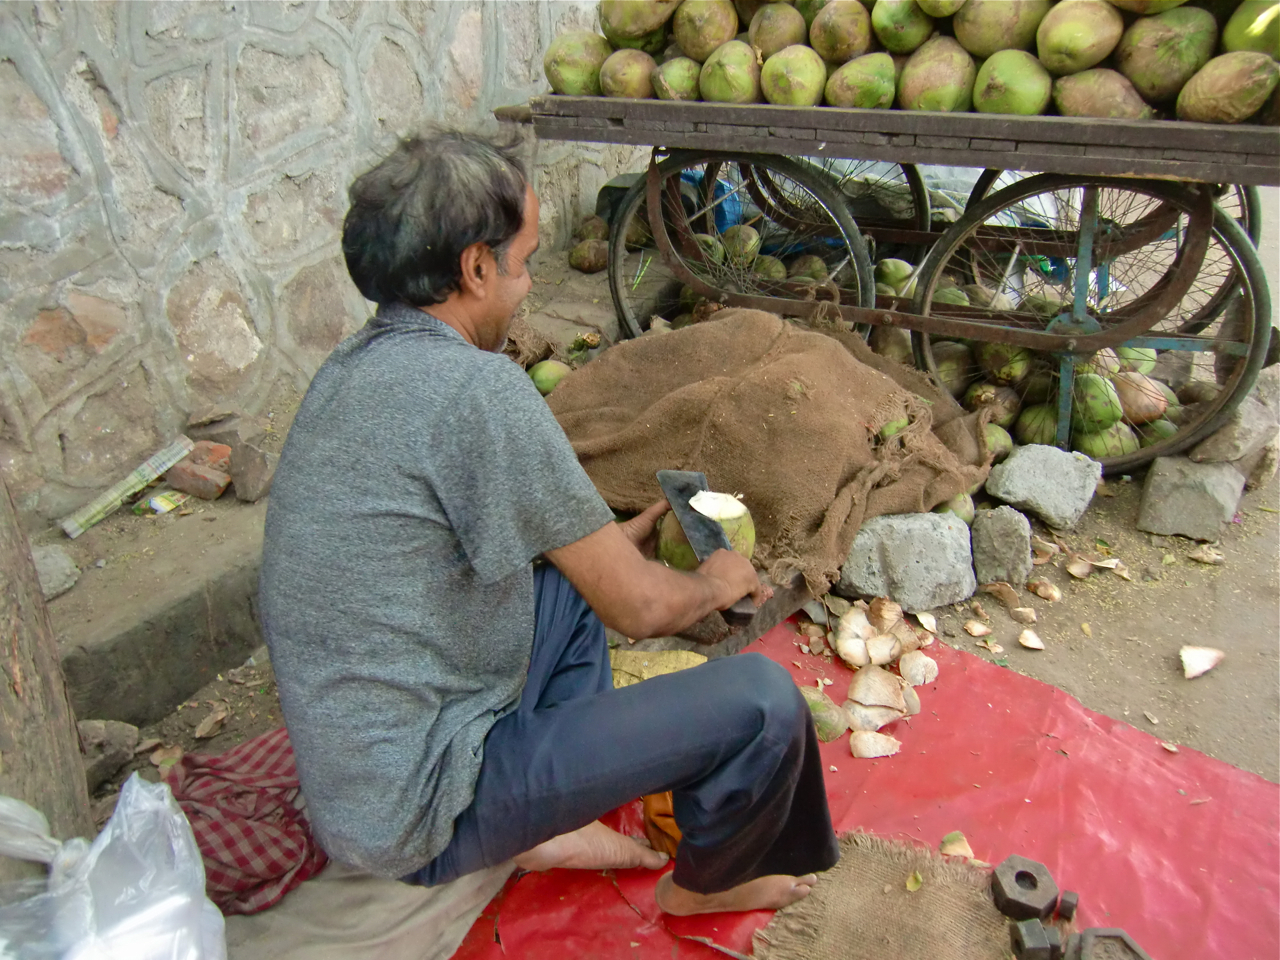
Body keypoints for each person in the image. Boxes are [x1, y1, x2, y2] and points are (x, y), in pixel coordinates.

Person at [258, 126, 840, 916]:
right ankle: (710, 883)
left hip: (359, 788)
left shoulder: (350, 369)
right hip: (421, 809)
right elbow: (638, 609)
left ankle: (544, 823)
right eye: (524, 264)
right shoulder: (479, 391)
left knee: (565, 595)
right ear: (474, 267)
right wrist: (712, 582)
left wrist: (604, 551)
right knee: (765, 702)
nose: (528, 286)